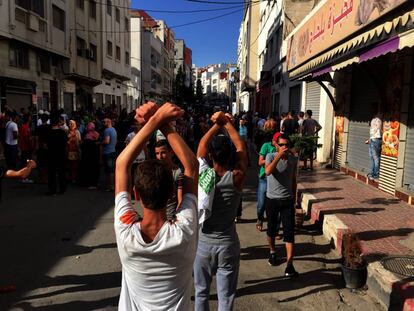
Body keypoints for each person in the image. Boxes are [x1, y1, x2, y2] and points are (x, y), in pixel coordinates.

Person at [114, 102, 198, 311]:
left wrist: (156, 120)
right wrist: (161, 122)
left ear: (136, 194)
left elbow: (122, 164)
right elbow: (192, 165)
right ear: (172, 192)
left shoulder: (126, 232)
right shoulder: (183, 231)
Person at [194, 111, 247, 311]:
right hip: (228, 244)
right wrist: (227, 124)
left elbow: (201, 146)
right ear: (230, 155)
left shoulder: (203, 175)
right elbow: (241, 146)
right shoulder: (237, 177)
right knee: (226, 298)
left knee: (201, 293)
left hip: (203, 245)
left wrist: (216, 124)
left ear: (210, 156)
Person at [265, 134, 299, 277]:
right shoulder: (270, 156)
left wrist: (294, 199)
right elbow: (267, 171)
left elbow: (293, 180)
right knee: (272, 229)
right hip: (272, 199)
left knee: (289, 233)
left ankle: (289, 265)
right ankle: (272, 252)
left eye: (287, 145)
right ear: (276, 145)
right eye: (282, 145)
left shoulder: (293, 160)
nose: (285, 147)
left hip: (287, 200)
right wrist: (279, 155)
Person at [155, 139, 183, 220]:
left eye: (163, 153)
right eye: (157, 153)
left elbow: (180, 200)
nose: (159, 157)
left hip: (171, 218)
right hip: (155, 218)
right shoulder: (153, 171)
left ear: (171, 152)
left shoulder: (178, 173)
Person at [256, 132, 278, 232]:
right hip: (264, 178)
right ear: (273, 141)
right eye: (278, 142)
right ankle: (260, 219)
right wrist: (272, 159)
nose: (280, 145)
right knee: (261, 204)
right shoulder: (266, 146)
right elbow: (260, 162)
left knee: (274, 206)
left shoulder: (282, 150)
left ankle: (274, 228)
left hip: (276, 179)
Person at [46, 113, 68, 195]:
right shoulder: (62, 133)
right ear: (58, 122)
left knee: (51, 173)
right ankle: (62, 189)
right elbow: (66, 144)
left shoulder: (49, 133)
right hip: (61, 154)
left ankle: (53, 190)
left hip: (51, 155)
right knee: (62, 172)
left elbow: (45, 145)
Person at [81, 122, 100, 189]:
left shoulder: (88, 135)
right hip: (93, 155)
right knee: (92, 169)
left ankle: (91, 183)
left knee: (90, 169)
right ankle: (92, 183)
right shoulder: (96, 134)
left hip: (90, 155)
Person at [101, 118, 117, 191]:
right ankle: (113, 185)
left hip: (107, 152)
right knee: (112, 170)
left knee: (109, 170)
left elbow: (107, 141)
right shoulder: (113, 129)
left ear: (108, 122)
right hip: (113, 151)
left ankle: (110, 186)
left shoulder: (107, 130)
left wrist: (99, 143)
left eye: (104, 122)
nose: (103, 123)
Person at [366, 113, 382, 180]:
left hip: (376, 140)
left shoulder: (378, 119)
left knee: (375, 158)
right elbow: (372, 132)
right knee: (372, 157)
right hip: (373, 140)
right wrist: (369, 139)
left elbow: (376, 130)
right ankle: (372, 173)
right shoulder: (373, 119)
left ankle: (375, 174)